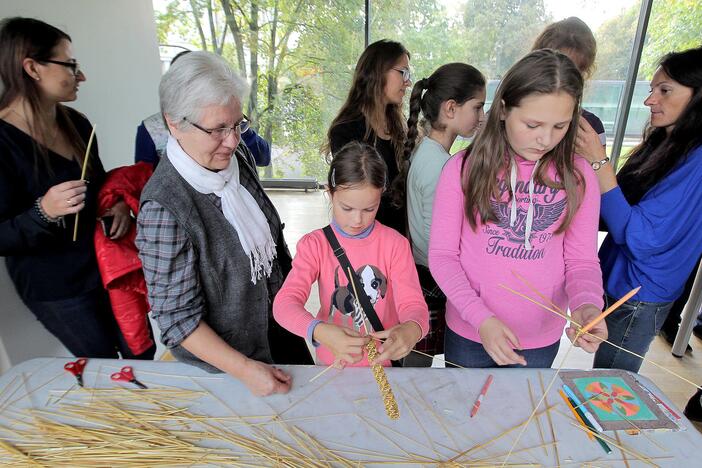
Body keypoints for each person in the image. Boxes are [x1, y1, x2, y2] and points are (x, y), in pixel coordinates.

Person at [135, 51, 311, 396]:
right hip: (229, 364)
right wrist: (245, 370)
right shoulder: (163, 209)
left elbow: (272, 244)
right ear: (174, 123)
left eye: (237, 124)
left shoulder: (234, 155)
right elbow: (178, 321)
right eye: (217, 129)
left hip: (277, 328)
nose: (232, 140)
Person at [429, 49, 607, 368]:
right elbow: (443, 256)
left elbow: (581, 259)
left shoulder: (579, 177)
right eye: (532, 124)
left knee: (523, 415)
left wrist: (587, 304)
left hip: (539, 338)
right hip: (471, 331)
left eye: (560, 126)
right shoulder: (462, 168)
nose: (545, 139)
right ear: (503, 110)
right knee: (464, 414)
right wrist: (480, 318)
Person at [0, 17, 147, 359]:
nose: (81, 76)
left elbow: (100, 185)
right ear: (33, 68)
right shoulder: (3, 141)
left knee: (141, 354)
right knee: (103, 367)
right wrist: (43, 212)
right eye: (70, 65)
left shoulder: (77, 123)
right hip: (57, 287)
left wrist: (120, 205)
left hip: (108, 266)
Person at [576, 46, 702, 373]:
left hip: (640, 296)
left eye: (665, 91)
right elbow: (614, 206)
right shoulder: (666, 144)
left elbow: (640, 237)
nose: (650, 101)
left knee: (612, 385)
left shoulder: (697, 161)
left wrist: (598, 161)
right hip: (621, 284)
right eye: (651, 90)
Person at [273, 142, 429, 367]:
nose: (357, 220)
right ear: (330, 193)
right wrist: (319, 331)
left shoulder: (395, 245)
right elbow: (284, 305)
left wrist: (412, 328)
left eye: (369, 209)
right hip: (332, 365)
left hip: (384, 366)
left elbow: (414, 305)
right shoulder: (315, 245)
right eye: (347, 208)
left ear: (380, 196)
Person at [392, 63, 486, 366]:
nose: (481, 117)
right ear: (450, 108)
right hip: (433, 278)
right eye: (478, 107)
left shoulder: (429, 152)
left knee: (418, 362)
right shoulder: (441, 166)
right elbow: (439, 242)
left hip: (424, 272)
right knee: (419, 366)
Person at [324, 40, 411, 235]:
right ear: (379, 72)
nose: (408, 82)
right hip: (365, 241)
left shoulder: (399, 128)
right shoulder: (346, 131)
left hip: (397, 242)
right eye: (403, 72)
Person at [134, 51, 271, 169]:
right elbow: (144, 179)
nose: (231, 142)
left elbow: (263, 157)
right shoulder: (150, 129)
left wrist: (235, 123)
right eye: (217, 130)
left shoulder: (229, 121)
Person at [532, 17, 607, 148]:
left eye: (573, 72)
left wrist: (597, 159)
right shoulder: (508, 114)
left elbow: (599, 167)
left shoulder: (590, 128)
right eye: (532, 125)